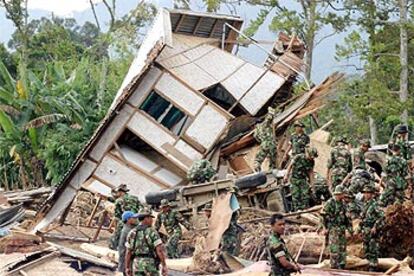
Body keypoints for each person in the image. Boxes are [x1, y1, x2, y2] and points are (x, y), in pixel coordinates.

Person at [125, 210, 167, 276]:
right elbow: (159, 251)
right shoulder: (152, 232)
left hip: (137, 265)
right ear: (146, 218)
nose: (152, 220)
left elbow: (128, 252)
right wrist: (164, 265)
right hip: (150, 265)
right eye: (151, 218)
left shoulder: (132, 232)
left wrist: (127, 267)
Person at [321, 185, 352, 269]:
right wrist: (325, 228)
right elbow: (323, 216)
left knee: (342, 249)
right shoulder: (330, 203)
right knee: (334, 249)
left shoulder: (343, 203)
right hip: (333, 228)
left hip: (341, 228)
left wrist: (350, 229)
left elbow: (347, 217)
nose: (343, 196)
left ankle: (342, 266)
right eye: (342, 194)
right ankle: (334, 267)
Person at [358, 184, 384, 271]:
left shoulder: (375, 205)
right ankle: (367, 265)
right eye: (365, 193)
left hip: (372, 230)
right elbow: (362, 218)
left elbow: (381, 217)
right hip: (365, 230)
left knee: (373, 250)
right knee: (366, 249)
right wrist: (359, 229)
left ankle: (373, 268)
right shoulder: (365, 204)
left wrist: (375, 226)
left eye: (368, 193)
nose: (366, 194)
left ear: (372, 194)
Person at [110, 184, 144, 250]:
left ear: (120, 192)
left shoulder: (119, 200)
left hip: (126, 221)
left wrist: (117, 226)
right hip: (136, 221)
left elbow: (117, 215)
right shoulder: (135, 198)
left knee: (116, 234)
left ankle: (113, 248)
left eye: (117, 192)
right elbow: (141, 208)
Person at [284, 147, 318, 211]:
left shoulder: (312, 162)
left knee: (305, 196)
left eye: (313, 157)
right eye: (311, 156)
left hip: (303, 180)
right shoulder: (298, 157)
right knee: (296, 196)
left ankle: (305, 210)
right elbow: (290, 166)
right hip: (295, 179)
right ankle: (297, 211)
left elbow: (310, 173)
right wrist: (286, 175)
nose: (312, 158)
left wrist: (312, 185)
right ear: (307, 153)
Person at [254, 107, 277, 171]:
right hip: (271, 143)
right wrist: (270, 110)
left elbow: (256, 138)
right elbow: (269, 118)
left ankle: (257, 168)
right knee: (272, 160)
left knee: (259, 159)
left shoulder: (256, 130)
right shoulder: (263, 125)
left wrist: (262, 141)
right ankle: (272, 170)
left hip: (263, 144)